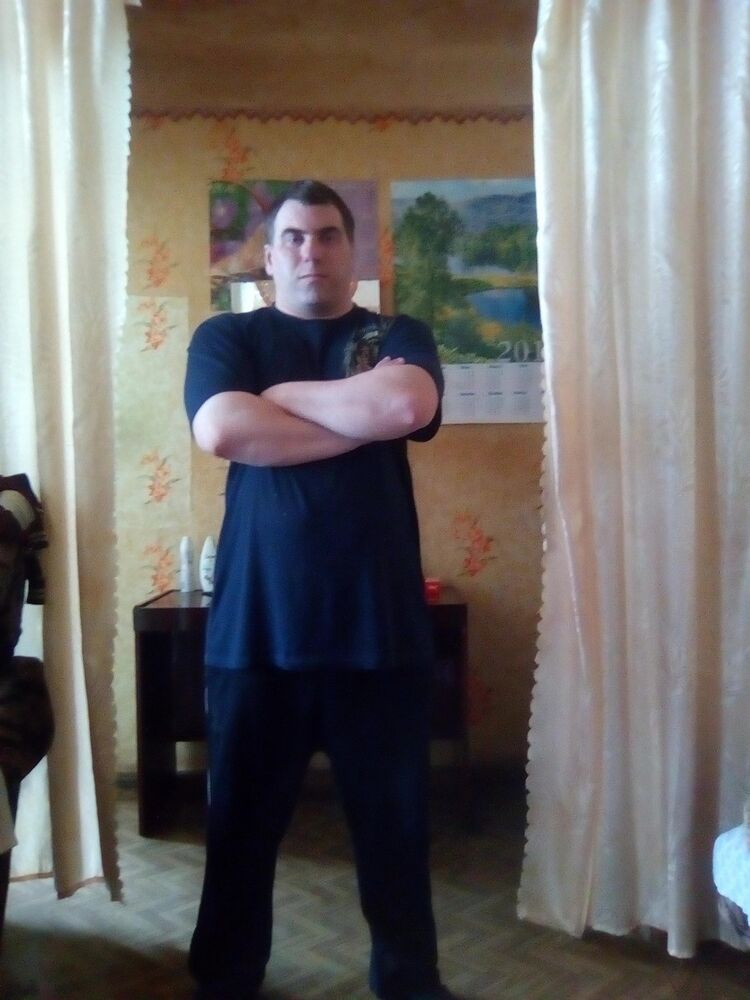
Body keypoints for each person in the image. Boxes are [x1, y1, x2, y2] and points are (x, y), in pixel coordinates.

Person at [184, 180, 458, 1000]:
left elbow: (405, 403)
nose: (312, 252)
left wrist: (281, 402)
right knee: (238, 834)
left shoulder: (395, 334)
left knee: (396, 838)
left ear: (352, 251)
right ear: (270, 258)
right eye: (295, 238)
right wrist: (354, 419)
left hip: (379, 636)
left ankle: (409, 985)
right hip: (256, 635)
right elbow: (222, 428)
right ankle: (226, 982)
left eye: (329, 236)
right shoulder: (228, 335)